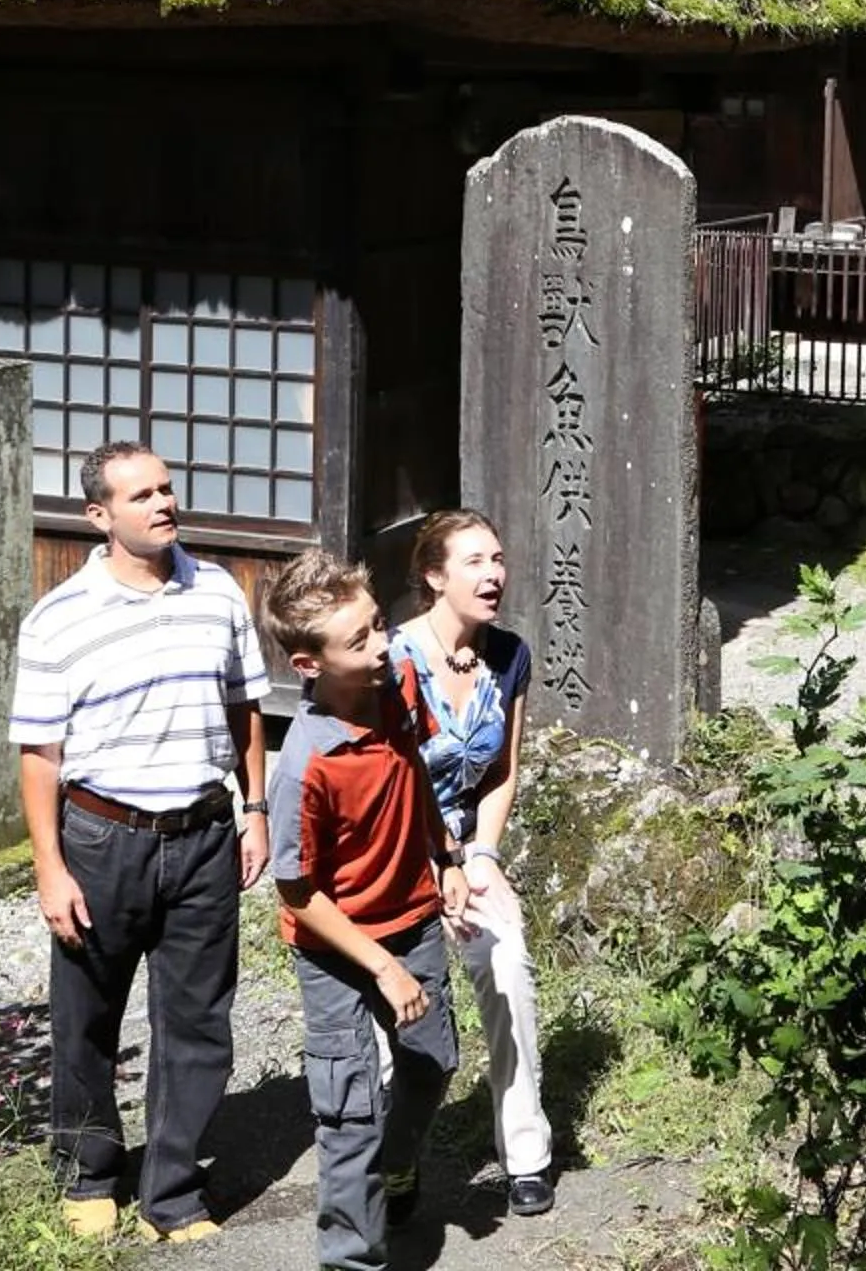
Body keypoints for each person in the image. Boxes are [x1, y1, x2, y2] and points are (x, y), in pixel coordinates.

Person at [10, 441, 269, 1244]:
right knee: (88, 1014)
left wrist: (255, 807)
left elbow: (245, 707)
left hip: (202, 832)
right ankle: (88, 1172)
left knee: (197, 1020)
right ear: (100, 516)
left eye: (166, 488)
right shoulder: (60, 617)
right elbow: (39, 756)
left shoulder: (219, 591)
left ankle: (174, 1193)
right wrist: (49, 866)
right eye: (142, 495)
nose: (163, 503)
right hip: (101, 836)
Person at [260, 550, 469, 1271]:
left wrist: (446, 859)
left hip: (410, 917)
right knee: (349, 1111)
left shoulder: (399, 680)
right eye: (359, 641)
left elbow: (412, 773)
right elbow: (297, 893)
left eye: (379, 625)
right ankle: (352, 1258)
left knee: (433, 1062)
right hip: (337, 947)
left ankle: (397, 1165)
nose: (382, 645)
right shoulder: (305, 763)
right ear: (308, 662)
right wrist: (381, 968)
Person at [391, 508, 556, 1216]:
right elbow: (382, 780)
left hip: (467, 846)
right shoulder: (389, 659)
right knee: (397, 1013)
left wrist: (482, 855)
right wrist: (432, 866)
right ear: (434, 577)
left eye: (498, 558)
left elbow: (502, 771)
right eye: (474, 562)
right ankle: (393, 1163)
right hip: (396, 853)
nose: (494, 574)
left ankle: (527, 1154)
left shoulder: (509, 655)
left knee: (509, 967)